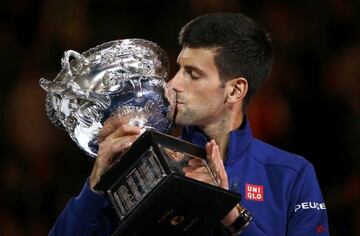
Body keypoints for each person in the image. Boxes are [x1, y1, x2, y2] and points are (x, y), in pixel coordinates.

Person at [49, 13, 329, 235]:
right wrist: (95, 189)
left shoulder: (291, 175)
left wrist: (231, 215)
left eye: (193, 74)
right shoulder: (141, 162)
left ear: (234, 90)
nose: (174, 84)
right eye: (179, 68)